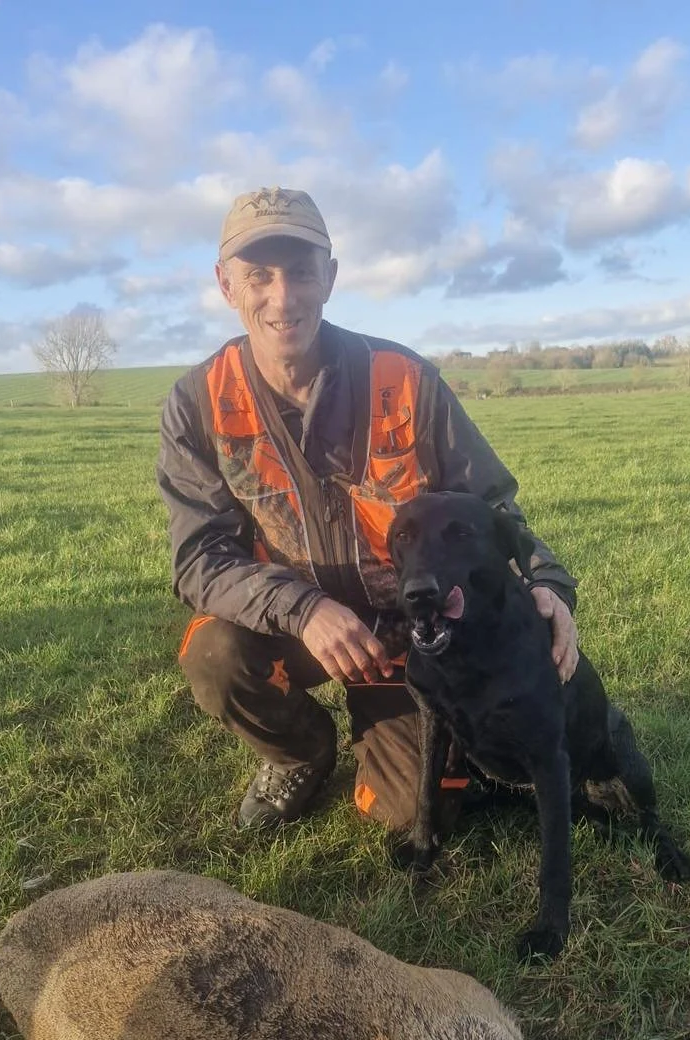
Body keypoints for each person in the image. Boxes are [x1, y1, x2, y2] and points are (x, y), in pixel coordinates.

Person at [157, 187, 578, 832]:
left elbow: (492, 505)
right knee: (215, 652)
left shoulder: (406, 380)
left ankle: (404, 731)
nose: (282, 297)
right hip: (292, 628)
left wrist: (547, 583)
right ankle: (300, 753)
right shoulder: (198, 403)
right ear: (225, 284)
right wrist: (303, 610)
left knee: (415, 813)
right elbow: (199, 559)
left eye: (301, 272)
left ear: (330, 277)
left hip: (413, 631)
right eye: (259, 275)